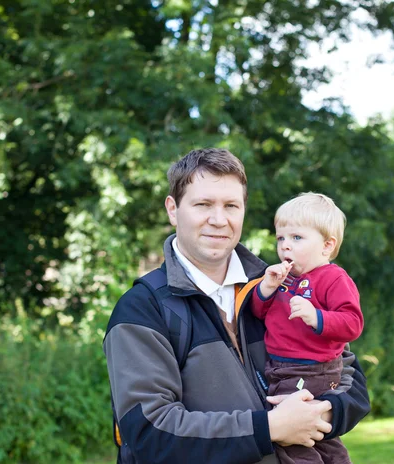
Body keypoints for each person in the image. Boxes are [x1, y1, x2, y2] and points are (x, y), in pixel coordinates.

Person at [103, 148, 370, 464]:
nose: (218, 220)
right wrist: (268, 428)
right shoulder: (143, 309)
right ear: (173, 210)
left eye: (231, 205)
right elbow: (150, 431)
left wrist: (319, 413)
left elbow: (352, 386)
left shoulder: (279, 286)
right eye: (203, 204)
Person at [251, 193, 364, 464]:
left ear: (327, 246)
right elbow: (258, 312)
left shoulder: (333, 278)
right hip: (282, 368)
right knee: (321, 436)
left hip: (309, 369)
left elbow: (352, 323)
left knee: (291, 437)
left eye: (297, 238)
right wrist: (265, 289)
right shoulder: (284, 278)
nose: (285, 246)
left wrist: (317, 317)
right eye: (281, 238)